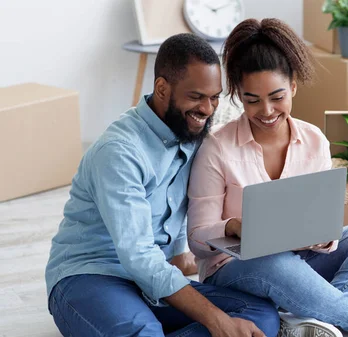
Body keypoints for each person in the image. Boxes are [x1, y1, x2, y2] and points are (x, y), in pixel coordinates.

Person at [186, 18, 348, 337]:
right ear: (239, 96)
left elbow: (326, 228)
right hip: (235, 271)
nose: (266, 111)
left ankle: (319, 317)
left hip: (302, 261)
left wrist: (324, 236)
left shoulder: (314, 139)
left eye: (277, 97)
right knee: (273, 262)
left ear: (293, 86)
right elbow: (197, 240)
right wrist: (234, 227)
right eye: (252, 100)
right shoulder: (217, 148)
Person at [45, 33, 280, 337]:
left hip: (154, 279)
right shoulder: (119, 151)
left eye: (214, 97)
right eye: (196, 97)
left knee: (260, 316)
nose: (208, 109)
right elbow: (138, 256)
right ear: (162, 89)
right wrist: (215, 320)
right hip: (91, 276)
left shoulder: (193, 133)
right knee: (174, 328)